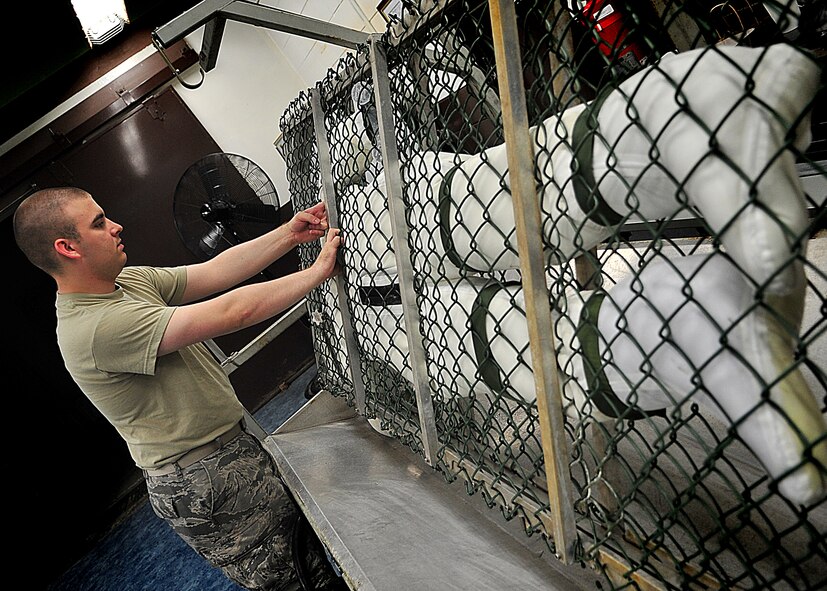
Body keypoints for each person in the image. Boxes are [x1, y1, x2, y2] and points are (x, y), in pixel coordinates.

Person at [13, 186, 343, 591]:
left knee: (312, 563)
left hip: (227, 453)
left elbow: (215, 272)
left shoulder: (125, 283)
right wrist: (315, 274)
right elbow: (232, 311)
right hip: (202, 478)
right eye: (99, 223)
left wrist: (289, 233)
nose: (116, 226)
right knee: (298, 579)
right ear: (67, 247)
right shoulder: (95, 328)